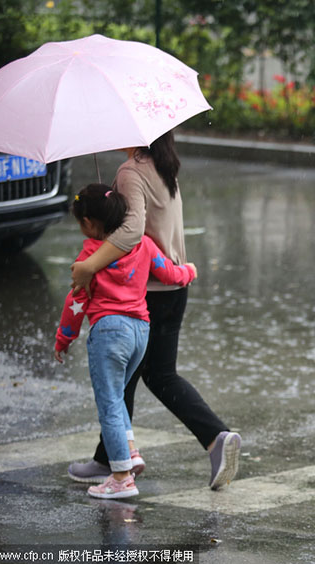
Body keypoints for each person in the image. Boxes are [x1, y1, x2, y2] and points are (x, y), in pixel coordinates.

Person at [67, 131, 242, 490]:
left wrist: (88, 267)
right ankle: (110, 458)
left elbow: (131, 231)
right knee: (141, 377)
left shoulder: (131, 171)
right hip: (173, 284)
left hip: (148, 290)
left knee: (137, 378)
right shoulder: (163, 166)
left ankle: (211, 437)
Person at [55, 183, 197, 499]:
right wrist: (188, 271)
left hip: (109, 333)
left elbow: (75, 302)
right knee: (118, 397)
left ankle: (121, 478)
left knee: (108, 402)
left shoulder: (89, 257)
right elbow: (169, 274)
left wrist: (64, 338)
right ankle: (130, 452)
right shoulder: (144, 245)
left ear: (90, 224)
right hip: (140, 332)